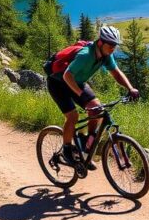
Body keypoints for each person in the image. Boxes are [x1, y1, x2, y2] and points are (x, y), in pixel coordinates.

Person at [46, 25, 139, 168]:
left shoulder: (106, 55)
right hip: (58, 82)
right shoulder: (85, 55)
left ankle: (86, 147)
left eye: (115, 45)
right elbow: (67, 75)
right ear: (101, 43)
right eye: (111, 45)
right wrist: (81, 95)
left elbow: (116, 73)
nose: (113, 48)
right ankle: (66, 150)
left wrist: (130, 88)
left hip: (77, 82)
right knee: (73, 116)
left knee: (98, 109)